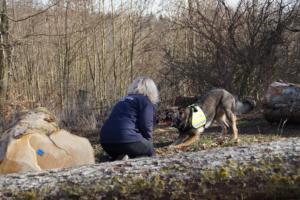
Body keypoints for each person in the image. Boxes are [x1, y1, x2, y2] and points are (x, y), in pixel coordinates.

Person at [100, 76, 159, 161]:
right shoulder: (145, 101)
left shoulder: (122, 100)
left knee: (130, 148)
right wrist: (148, 143)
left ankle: (121, 158)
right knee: (150, 149)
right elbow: (146, 125)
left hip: (106, 142)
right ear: (152, 90)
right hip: (127, 140)